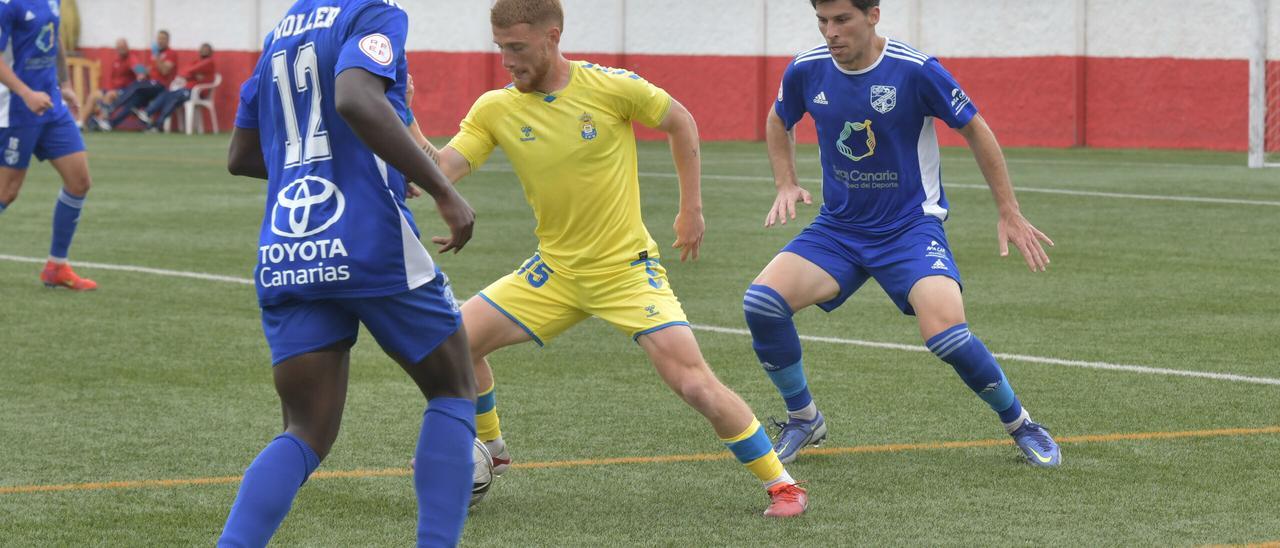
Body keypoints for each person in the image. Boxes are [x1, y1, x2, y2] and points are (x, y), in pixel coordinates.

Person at [416, 0, 808, 518]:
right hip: (553, 272)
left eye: (517, 48)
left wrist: (691, 209)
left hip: (626, 271)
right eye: (500, 49)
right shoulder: (496, 108)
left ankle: (782, 486)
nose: (507, 61)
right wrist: (407, 117)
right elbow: (441, 169)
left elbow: (681, 121)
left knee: (692, 381)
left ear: (552, 37)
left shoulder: (611, 87)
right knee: (452, 345)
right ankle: (492, 447)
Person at [750, 0, 1061, 467]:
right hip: (839, 228)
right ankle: (804, 418)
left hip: (909, 229)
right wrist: (786, 182)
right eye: (822, 21)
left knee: (946, 334)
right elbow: (780, 119)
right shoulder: (806, 69)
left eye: (842, 20)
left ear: (873, 15)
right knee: (762, 304)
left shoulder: (916, 71)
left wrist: (1009, 211)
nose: (830, 32)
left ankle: (1022, 424)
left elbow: (975, 128)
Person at [219, 0, 479, 545]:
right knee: (453, 387)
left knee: (305, 430)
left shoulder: (281, 35)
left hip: (291, 246)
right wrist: (443, 190)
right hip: (368, 237)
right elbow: (356, 98)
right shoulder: (373, 12)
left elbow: (241, 154)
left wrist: (318, 161)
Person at [0, 0, 98, 291]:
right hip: (16, 107)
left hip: (51, 104)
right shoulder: (7, 4)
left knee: (79, 182)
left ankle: (57, 266)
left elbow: (53, 41)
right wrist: (26, 93)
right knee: (7, 191)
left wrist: (65, 83)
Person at [107, 29, 174, 128]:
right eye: (159, 38)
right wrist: (143, 71)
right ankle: (110, 124)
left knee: (136, 85)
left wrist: (157, 57)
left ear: (168, 41)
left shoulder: (170, 53)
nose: (160, 41)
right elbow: (149, 70)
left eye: (163, 39)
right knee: (132, 102)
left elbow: (164, 71)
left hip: (160, 86)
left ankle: (112, 107)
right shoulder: (154, 55)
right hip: (150, 86)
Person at [144, 42, 216, 132]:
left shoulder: (209, 62)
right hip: (187, 89)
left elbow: (189, 70)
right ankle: (147, 114)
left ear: (210, 52)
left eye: (206, 50)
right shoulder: (197, 61)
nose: (203, 51)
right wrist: (192, 75)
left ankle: (157, 125)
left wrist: (189, 74)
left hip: (197, 92)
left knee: (174, 99)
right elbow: (183, 71)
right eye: (202, 49)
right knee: (167, 94)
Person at [78, 38, 138, 130]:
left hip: (126, 91)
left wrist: (141, 74)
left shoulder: (131, 58)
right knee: (94, 95)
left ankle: (100, 121)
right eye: (119, 47)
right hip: (113, 90)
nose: (121, 49)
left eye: (123, 47)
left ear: (127, 47)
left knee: (110, 95)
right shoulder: (116, 60)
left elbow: (140, 70)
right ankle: (82, 122)